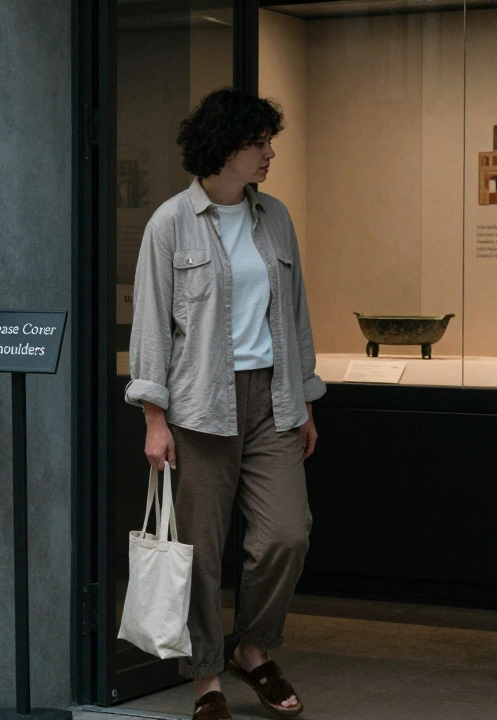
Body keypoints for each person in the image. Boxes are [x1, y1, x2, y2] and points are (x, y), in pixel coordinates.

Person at [125, 88, 323, 720]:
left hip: (272, 399)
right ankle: (207, 679)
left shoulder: (277, 218)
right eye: (258, 143)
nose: (270, 154)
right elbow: (152, 326)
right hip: (198, 407)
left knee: (286, 535)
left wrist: (306, 402)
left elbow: (294, 315)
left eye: (269, 142)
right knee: (201, 554)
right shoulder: (169, 224)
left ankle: (254, 649)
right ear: (224, 148)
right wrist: (155, 418)